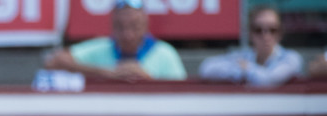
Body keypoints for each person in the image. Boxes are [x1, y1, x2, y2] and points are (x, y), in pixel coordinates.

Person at [43, 0, 187, 82]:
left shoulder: (165, 53)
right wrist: (106, 73)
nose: (128, 34)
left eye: (134, 26)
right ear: (112, 25)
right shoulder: (101, 47)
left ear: (146, 24)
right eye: (120, 27)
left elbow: (182, 92)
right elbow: (53, 61)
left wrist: (147, 81)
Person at [199, 6, 303, 86]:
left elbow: (269, 80)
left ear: (280, 33)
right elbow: (206, 68)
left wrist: (248, 69)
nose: (265, 36)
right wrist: (240, 71)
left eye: (272, 30)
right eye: (258, 30)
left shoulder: (291, 58)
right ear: (250, 33)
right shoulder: (243, 56)